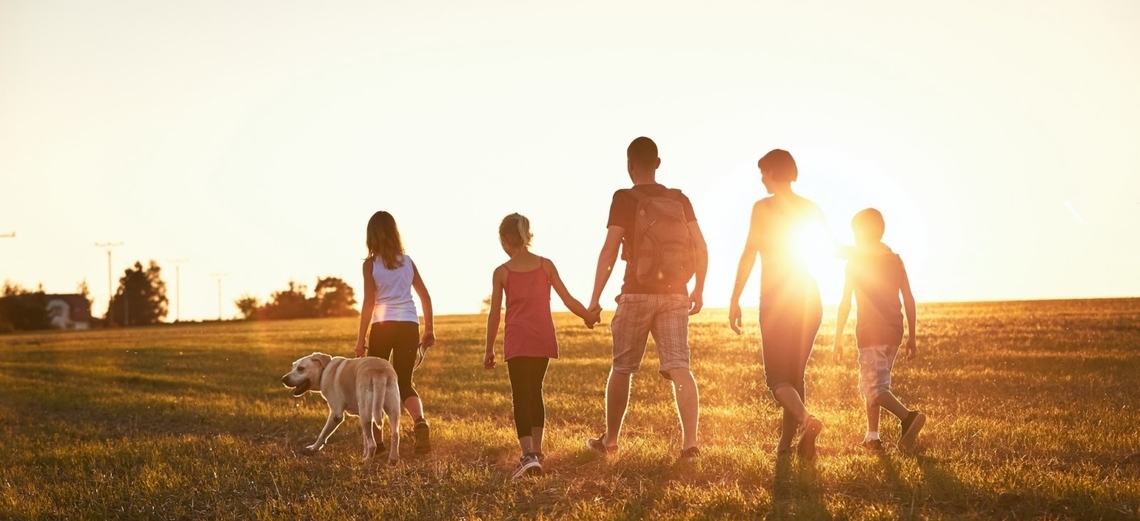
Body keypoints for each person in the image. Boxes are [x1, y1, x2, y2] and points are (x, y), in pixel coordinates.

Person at [584, 136, 708, 461]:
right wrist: (699, 288)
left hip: (636, 293)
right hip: (676, 294)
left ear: (629, 165)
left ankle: (610, 442)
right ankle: (690, 445)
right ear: (658, 163)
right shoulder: (679, 199)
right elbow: (701, 245)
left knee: (622, 368)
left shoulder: (624, 198)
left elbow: (610, 249)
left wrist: (594, 299)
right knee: (680, 366)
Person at [728, 149, 831, 460]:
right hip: (810, 297)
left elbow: (749, 253)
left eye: (763, 172)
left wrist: (734, 299)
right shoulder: (811, 207)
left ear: (773, 171)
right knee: (795, 377)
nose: (761, 179)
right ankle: (787, 447)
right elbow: (834, 248)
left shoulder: (764, 207)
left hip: (778, 301)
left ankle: (805, 420)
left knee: (777, 378)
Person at [484, 213, 597, 478]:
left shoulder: (502, 272)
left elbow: (495, 314)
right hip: (542, 338)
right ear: (527, 235)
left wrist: (489, 348)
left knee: (520, 396)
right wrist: (589, 316)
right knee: (535, 392)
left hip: (518, 340)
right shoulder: (545, 265)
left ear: (504, 239)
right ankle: (537, 451)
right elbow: (568, 299)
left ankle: (527, 456)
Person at [833, 208, 925, 452]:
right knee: (874, 383)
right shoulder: (895, 259)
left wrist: (837, 338)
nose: (852, 236)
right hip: (894, 331)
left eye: (854, 231)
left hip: (871, 332)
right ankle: (872, 437)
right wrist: (912, 336)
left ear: (862, 232)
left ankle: (908, 418)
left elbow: (845, 302)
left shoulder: (856, 261)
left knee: (874, 388)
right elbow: (909, 298)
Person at [354, 210, 436, 454]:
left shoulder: (370, 265)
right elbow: (425, 296)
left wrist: (361, 340)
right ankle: (420, 422)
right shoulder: (407, 262)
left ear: (372, 236)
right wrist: (429, 329)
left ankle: (377, 444)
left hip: (382, 325)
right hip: (409, 324)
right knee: (404, 380)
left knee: (374, 382)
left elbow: (369, 302)